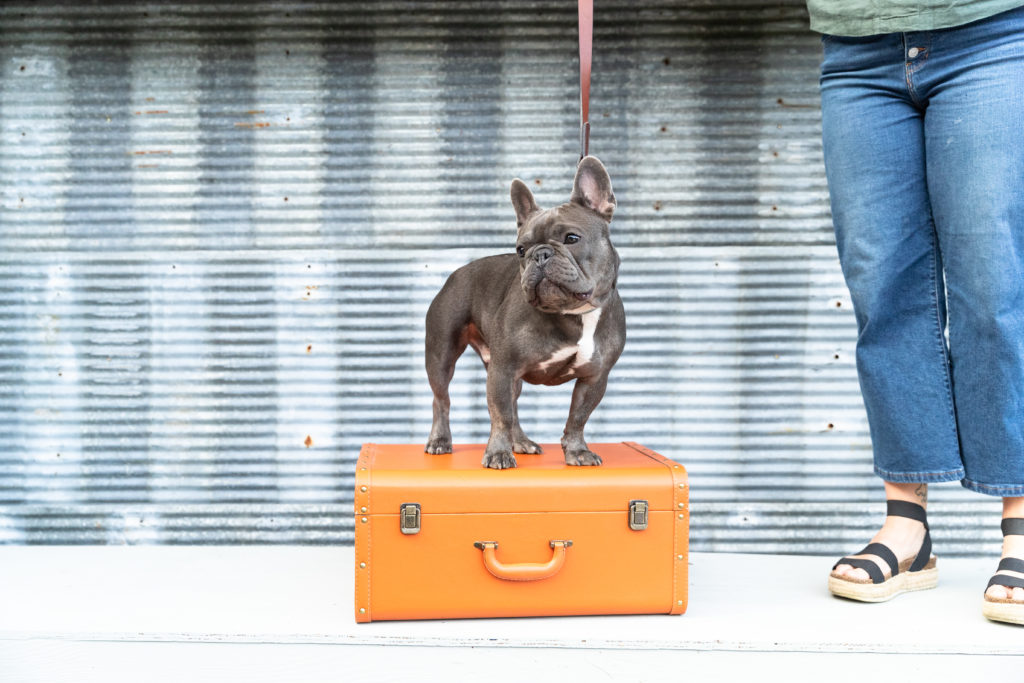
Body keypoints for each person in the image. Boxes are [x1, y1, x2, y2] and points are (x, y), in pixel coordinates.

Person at [806, 1, 1024, 625]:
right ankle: (907, 529)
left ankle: (1021, 526)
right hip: (855, 46)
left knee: (995, 281)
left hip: (990, 31)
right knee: (882, 286)